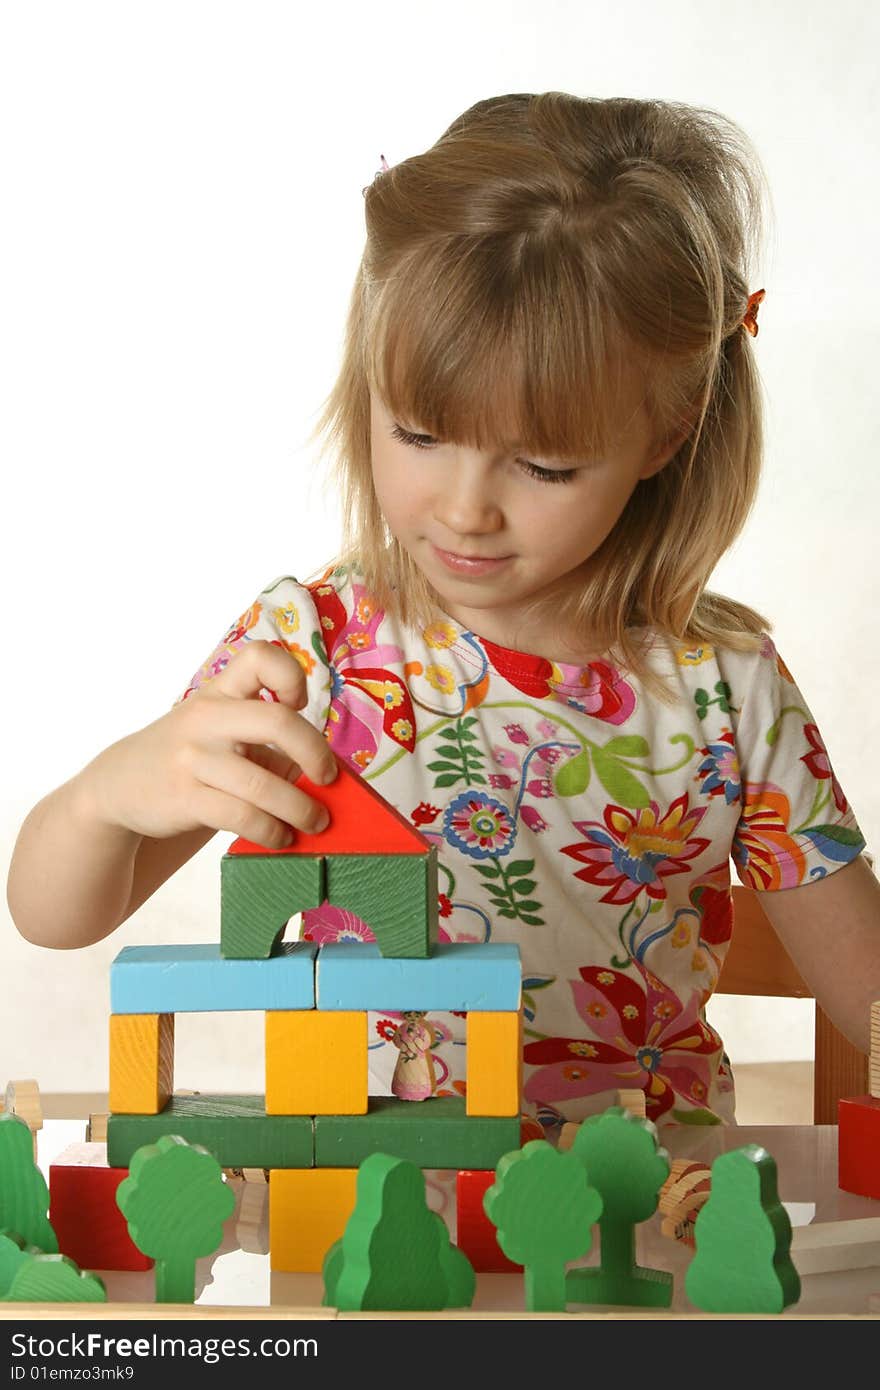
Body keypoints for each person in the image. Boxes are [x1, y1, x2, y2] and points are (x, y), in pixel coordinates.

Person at [8, 92, 880, 1133]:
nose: (466, 508)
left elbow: (864, 993)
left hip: (645, 1220)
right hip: (366, 1218)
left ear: (665, 433)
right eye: (419, 435)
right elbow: (56, 916)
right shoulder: (311, 651)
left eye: (546, 463)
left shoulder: (724, 683)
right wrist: (110, 792)